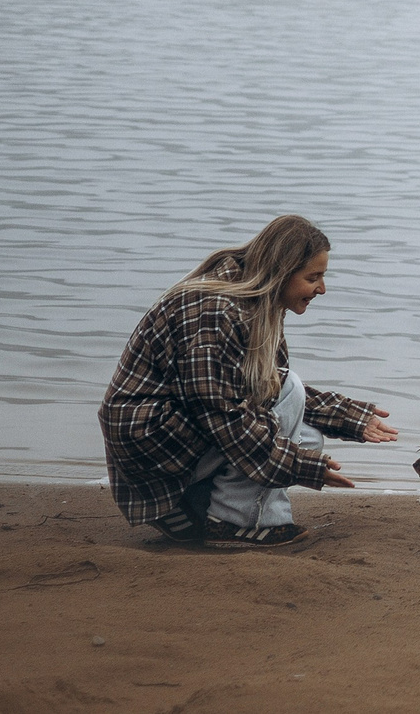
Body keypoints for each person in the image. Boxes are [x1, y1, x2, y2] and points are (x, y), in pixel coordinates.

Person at [99, 214, 397, 547]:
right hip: (150, 440)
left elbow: (262, 387)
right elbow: (224, 413)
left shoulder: (257, 302)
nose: (322, 289)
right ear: (281, 271)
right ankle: (235, 521)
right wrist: (302, 468)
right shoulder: (217, 312)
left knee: (307, 438)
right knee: (292, 411)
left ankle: (191, 506)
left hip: (179, 432)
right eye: (313, 277)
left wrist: (349, 418)